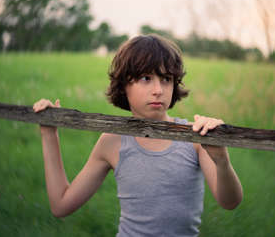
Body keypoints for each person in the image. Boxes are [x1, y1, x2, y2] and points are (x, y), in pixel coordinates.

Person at [33, 35, 243, 236]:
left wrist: (222, 161)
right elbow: (61, 205)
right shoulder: (112, 142)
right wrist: (49, 133)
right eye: (146, 78)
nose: (158, 89)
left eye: (166, 79)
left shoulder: (195, 137)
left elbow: (230, 201)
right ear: (124, 85)